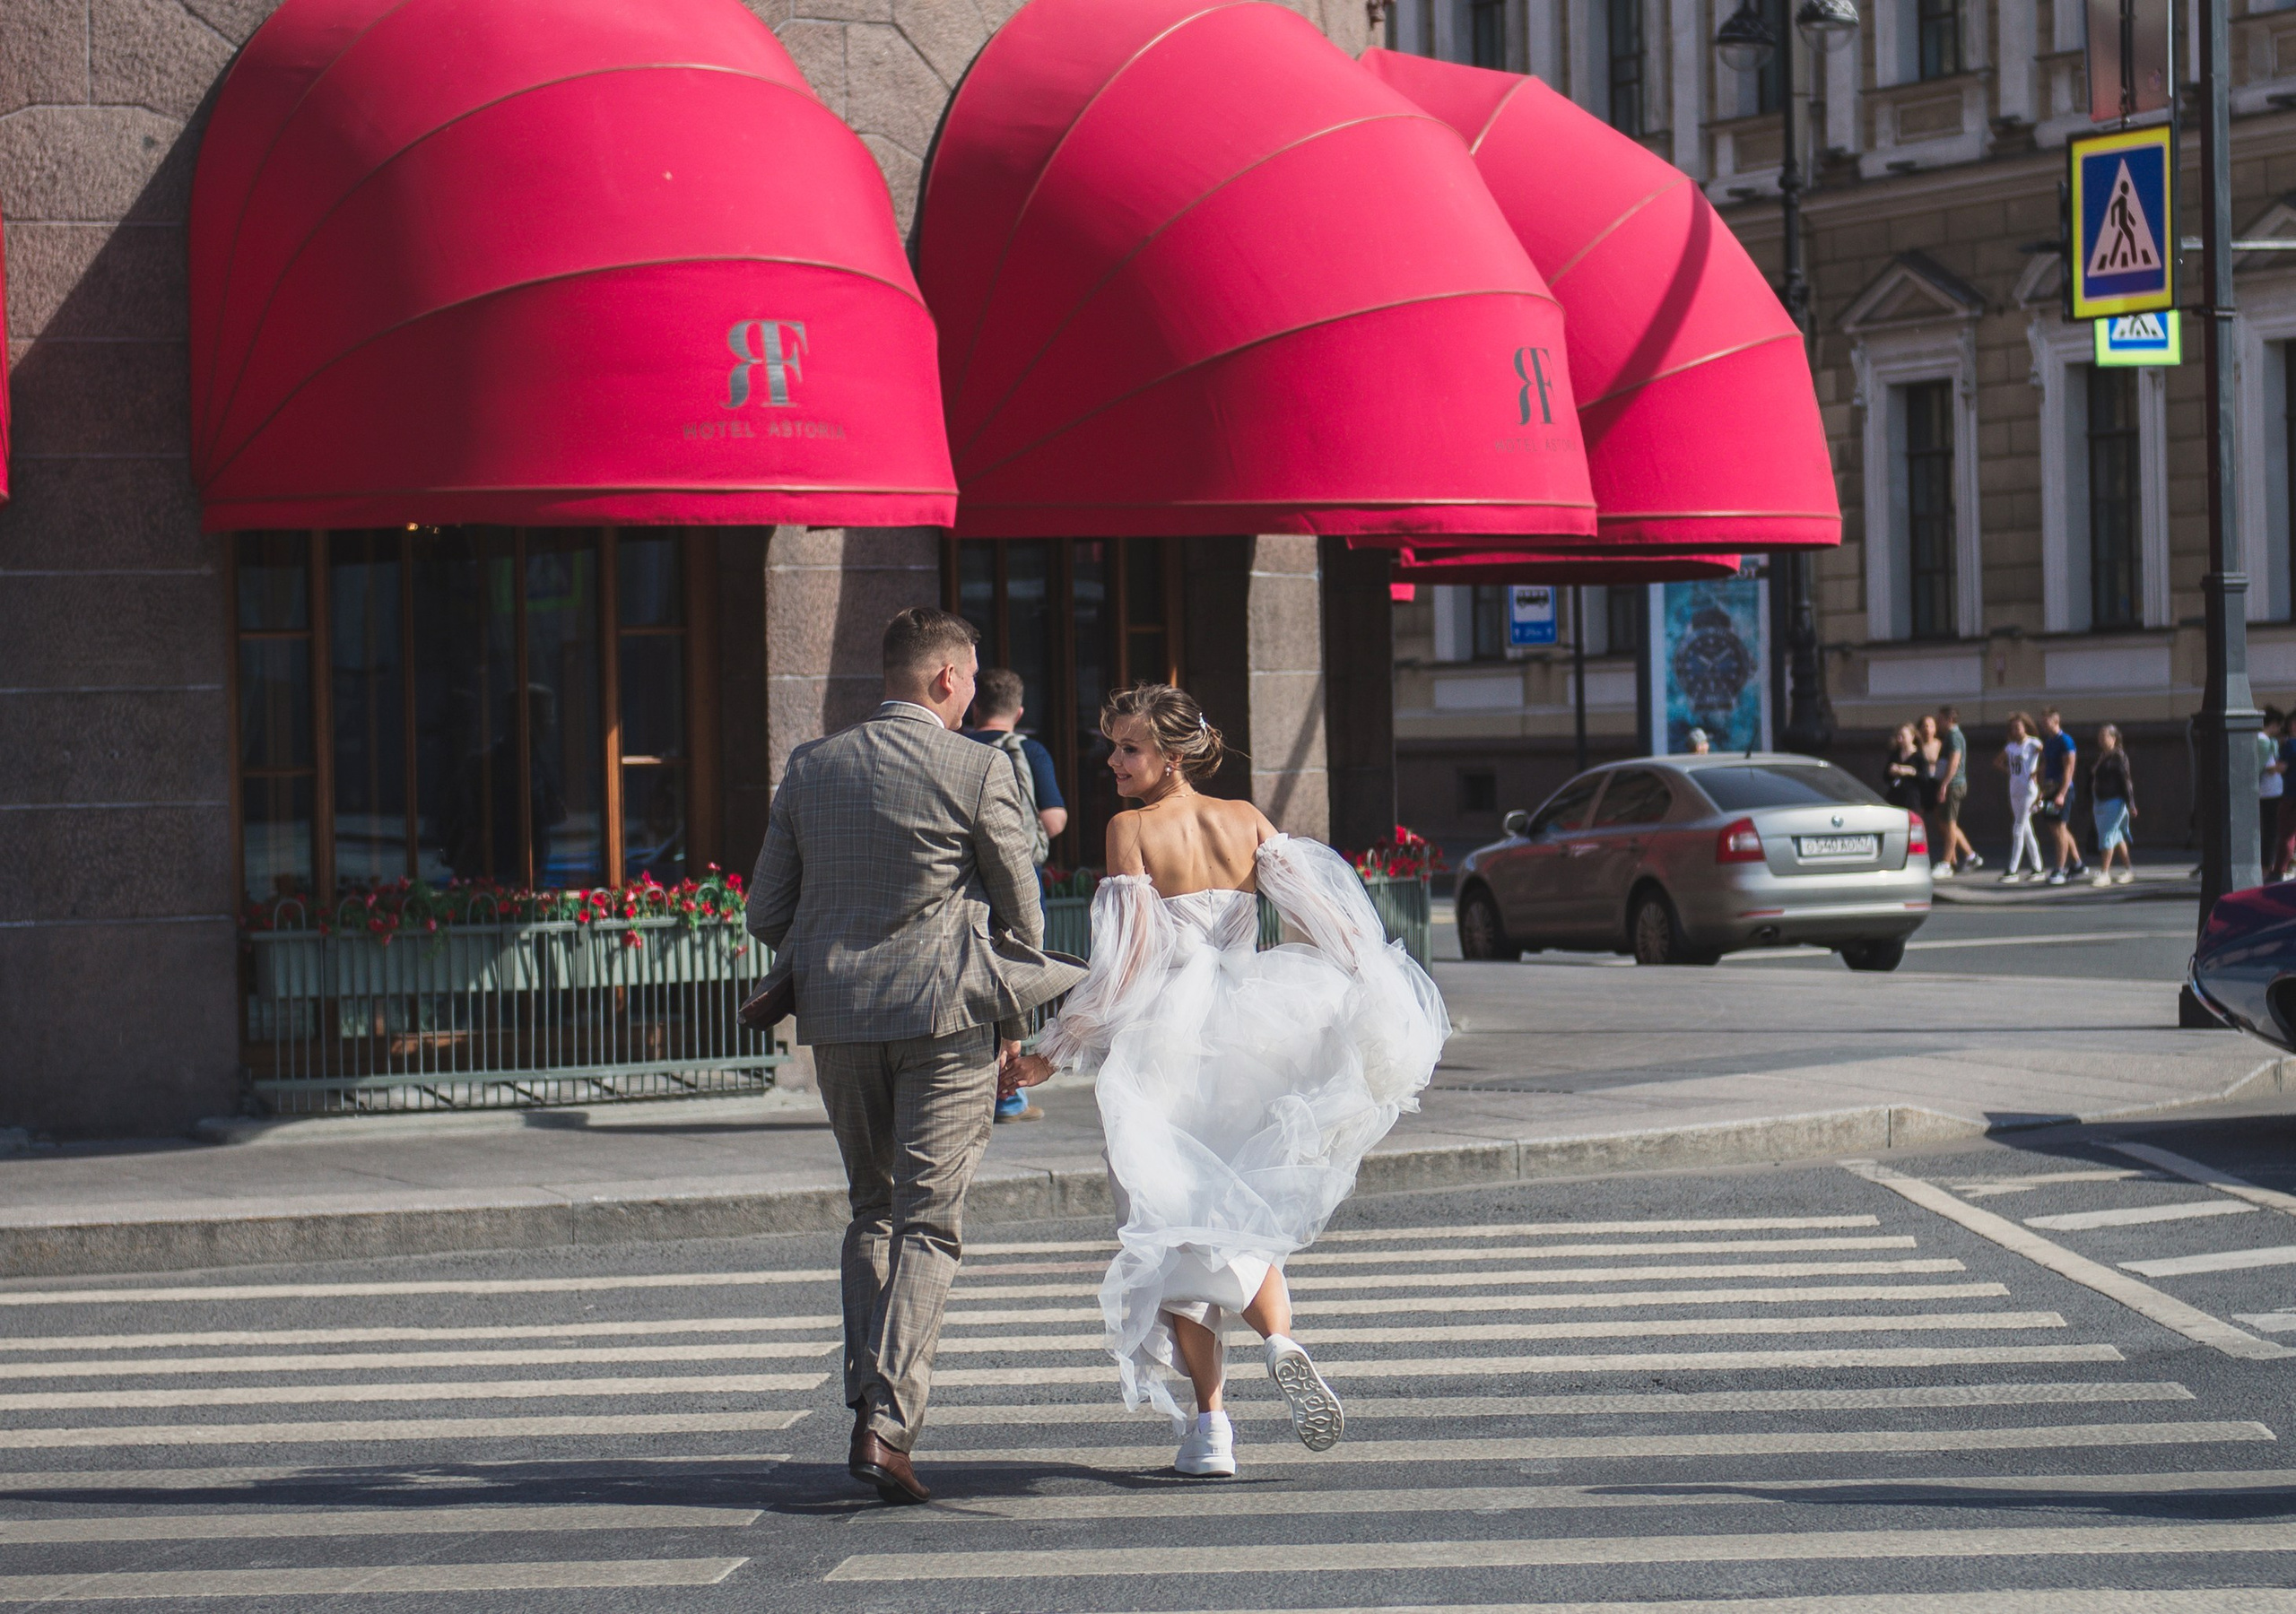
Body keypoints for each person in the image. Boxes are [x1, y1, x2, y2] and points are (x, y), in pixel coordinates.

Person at [1003, 682, 1448, 1480]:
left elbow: (1126, 964)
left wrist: (1054, 1049)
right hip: (1253, 1034)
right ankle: (1278, 1341)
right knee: (1240, 1209)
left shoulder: (1131, 829)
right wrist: (1368, 993)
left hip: (1166, 1046)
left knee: (1173, 1220)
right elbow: (1332, 922)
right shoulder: (1246, 819)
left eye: (1130, 749)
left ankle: (1212, 1428)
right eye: (1113, 747)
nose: (1113, 762)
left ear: (1172, 756)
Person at [745, 608, 1086, 1506]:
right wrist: (1012, 1006)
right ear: (946, 677)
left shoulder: (811, 766)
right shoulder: (978, 766)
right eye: (968, 678)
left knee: (873, 1209)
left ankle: (870, 1400)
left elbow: (765, 914)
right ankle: (887, 1421)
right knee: (929, 1221)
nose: (970, 693)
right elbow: (1023, 915)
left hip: (838, 1021)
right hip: (945, 1018)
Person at [961, 668, 1071, 1124]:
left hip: (967, 889)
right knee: (1013, 983)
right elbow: (1054, 820)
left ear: (974, 707)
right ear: (1019, 712)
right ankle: (1007, 1097)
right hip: (1020, 881)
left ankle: (967, 1090)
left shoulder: (958, 747)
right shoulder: (1030, 751)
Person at [1995, 712, 2045, 883]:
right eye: (2013, 728)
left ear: (2025, 727)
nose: (2016, 731)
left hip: (2029, 790)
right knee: (2026, 829)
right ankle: (2038, 867)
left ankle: (2012, 870)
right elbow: (1997, 761)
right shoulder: (2010, 747)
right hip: (2015, 790)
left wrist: (2038, 772)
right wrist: (2009, 771)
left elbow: (2047, 757)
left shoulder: (2033, 743)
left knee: (2017, 829)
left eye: (2018, 727)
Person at [2035, 708, 2083, 885]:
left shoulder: (2065, 741)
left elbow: (2069, 769)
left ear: (2055, 721)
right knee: (2055, 828)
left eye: (2046, 721)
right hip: (2050, 789)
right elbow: (2046, 765)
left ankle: (2060, 869)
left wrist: (2062, 794)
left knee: (2060, 828)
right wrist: (2041, 791)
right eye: (2042, 721)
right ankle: (2077, 864)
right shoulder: (2049, 742)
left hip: (2062, 790)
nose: (2042, 724)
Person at [2089, 725, 2136, 886]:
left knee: (2107, 836)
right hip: (2101, 800)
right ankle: (2128, 869)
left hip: (2114, 800)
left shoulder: (2118, 757)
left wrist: (2131, 803)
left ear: (2114, 738)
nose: (2101, 739)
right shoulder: (2103, 756)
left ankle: (2105, 873)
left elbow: (2126, 780)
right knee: (2117, 836)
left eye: (2104, 736)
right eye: (2100, 736)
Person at [1936, 706, 1980, 873]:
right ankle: (1971, 856)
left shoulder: (1954, 736)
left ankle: (1946, 863)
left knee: (1950, 824)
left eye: (1940, 719)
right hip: (1951, 783)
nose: (1938, 722)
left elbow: (1954, 761)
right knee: (1947, 824)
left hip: (1954, 784)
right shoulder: (1951, 736)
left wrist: (1945, 784)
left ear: (1949, 719)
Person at [1914, 715, 1946, 872]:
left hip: (1936, 784)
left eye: (1931, 726)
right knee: (1918, 819)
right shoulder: (1917, 746)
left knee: (1941, 822)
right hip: (1922, 785)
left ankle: (1951, 856)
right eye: (1924, 726)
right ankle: (1918, 854)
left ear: (1935, 729)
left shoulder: (1939, 745)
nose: (1927, 729)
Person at [2259, 709, 2286, 878]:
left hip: (2269, 791)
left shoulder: (2266, 741)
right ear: (2273, 724)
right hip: (2268, 792)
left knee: (2270, 830)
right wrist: (2281, 767)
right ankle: (2266, 867)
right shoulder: (2263, 741)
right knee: (2270, 831)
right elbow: (2267, 767)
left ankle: (2267, 866)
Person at [1882, 723, 1922, 813]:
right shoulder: (1895, 754)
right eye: (1898, 736)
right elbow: (1885, 777)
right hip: (1895, 797)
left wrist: (1911, 772)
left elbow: (1924, 777)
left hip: (1911, 799)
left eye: (1903, 736)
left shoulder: (1919, 756)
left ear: (1912, 737)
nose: (1899, 739)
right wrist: (1891, 772)